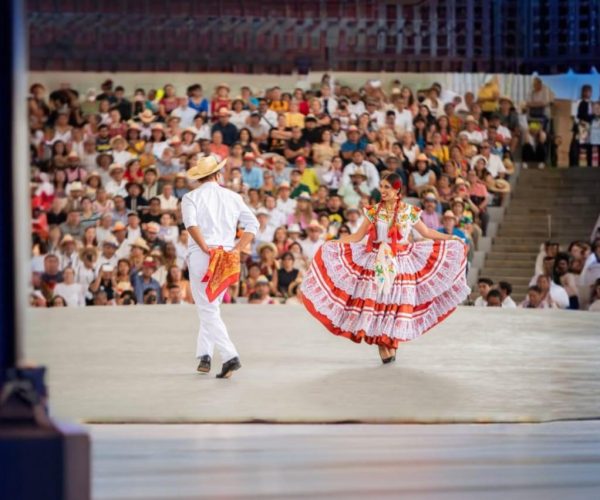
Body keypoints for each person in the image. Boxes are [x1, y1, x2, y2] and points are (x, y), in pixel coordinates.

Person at [300, 172, 469, 364]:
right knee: (380, 301)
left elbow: (427, 232)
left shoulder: (408, 211)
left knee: (397, 302)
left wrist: (451, 238)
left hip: (402, 261)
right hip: (378, 259)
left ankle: (391, 340)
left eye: (387, 187)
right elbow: (357, 237)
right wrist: (334, 243)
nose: (382, 190)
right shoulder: (374, 211)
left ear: (397, 190)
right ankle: (383, 343)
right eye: (381, 186)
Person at [181, 155, 259, 378]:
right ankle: (204, 355)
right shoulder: (232, 196)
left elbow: (191, 225)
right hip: (226, 254)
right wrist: (237, 249)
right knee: (211, 307)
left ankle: (229, 356)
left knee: (207, 308)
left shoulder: (191, 197)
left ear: (199, 177)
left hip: (202, 253)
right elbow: (253, 224)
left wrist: (204, 247)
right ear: (217, 175)